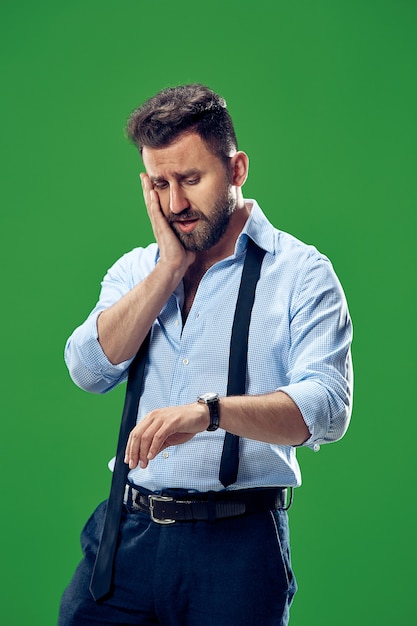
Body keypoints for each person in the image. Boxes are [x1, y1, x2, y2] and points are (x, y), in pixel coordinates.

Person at [58, 84, 353, 626]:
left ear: (237, 168)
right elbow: (89, 369)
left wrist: (210, 413)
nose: (175, 204)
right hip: (126, 537)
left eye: (191, 180)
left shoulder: (302, 273)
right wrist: (166, 270)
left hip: (237, 547)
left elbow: (327, 409)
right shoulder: (136, 270)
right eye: (160, 184)